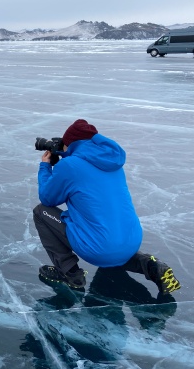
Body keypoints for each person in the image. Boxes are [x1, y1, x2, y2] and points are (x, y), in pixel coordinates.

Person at [33, 119, 180, 295]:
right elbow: (86, 170)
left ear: (71, 144)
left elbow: (48, 198)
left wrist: (46, 167)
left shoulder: (70, 165)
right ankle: (150, 265)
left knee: (41, 212)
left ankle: (70, 273)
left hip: (99, 248)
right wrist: (67, 154)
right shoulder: (112, 162)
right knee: (112, 246)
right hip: (131, 241)